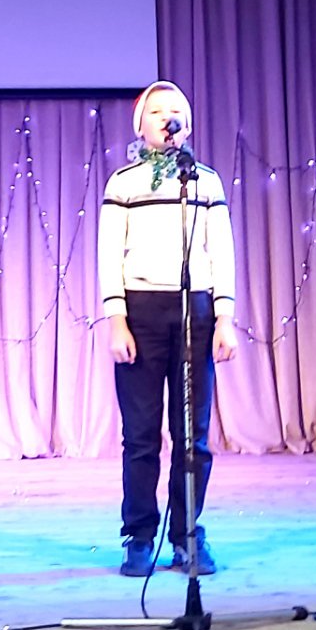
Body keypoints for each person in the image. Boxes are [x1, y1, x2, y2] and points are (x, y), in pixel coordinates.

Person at [98, 79, 237, 578]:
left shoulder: (205, 182)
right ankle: (138, 536)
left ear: (188, 124)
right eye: (156, 110)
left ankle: (186, 535)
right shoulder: (122, 183)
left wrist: (224, 317)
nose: (166, 117)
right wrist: (117, 319)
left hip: (194, 312)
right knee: (140, 436)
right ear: (141, 124)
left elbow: (221, 251)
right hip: (141, 312)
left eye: (175, 110)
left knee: (192, 438)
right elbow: (109, 253)